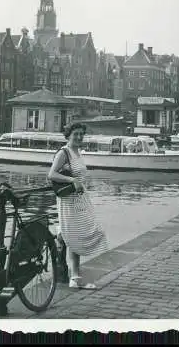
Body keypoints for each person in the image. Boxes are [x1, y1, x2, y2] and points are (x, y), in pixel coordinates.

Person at [47, 122, 108, 289]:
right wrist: (72, 180)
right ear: (68, 135)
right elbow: (51, 174)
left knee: (89, 231)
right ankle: (75, 277)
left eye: (82, 134)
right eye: (76, 134)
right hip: (68, 200)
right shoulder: (64, 152)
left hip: (80, 199)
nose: (79, 137)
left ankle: (61, 235)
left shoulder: (78, 152)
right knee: (77, 235)